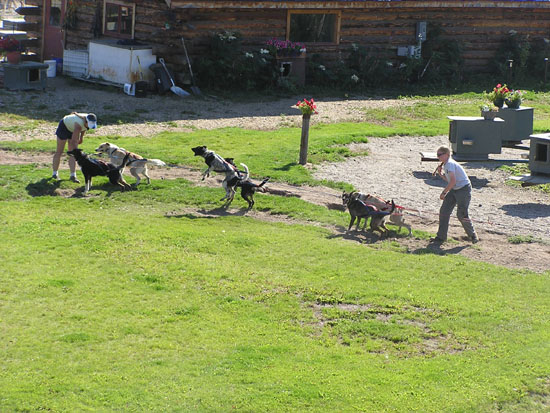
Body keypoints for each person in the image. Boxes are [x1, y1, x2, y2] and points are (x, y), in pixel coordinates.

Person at [431, 146, 479, 244]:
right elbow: (450, 180)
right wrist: (440, 174)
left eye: (440, 155)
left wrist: (444, 193)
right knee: (444, 211)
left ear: (447, 155)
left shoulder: (450, 164)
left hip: (463, 189)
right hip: (455, 189)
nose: (438, 157)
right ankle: (441, 237)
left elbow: (453, 181)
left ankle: (473, 236)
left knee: (461, 214)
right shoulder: (446, 165)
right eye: (437, 155)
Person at [52, 112, 97, 182]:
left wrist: (81, 137)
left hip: (73, 128)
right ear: (86, 121)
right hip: (64, 127)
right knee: (59, 151)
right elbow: (73, 141)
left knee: (73, 155)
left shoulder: (86, 121)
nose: (89, 127)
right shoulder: (78, 125)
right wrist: (77, 152)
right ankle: (54, 174)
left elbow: (85, 128)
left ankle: (73, 176)